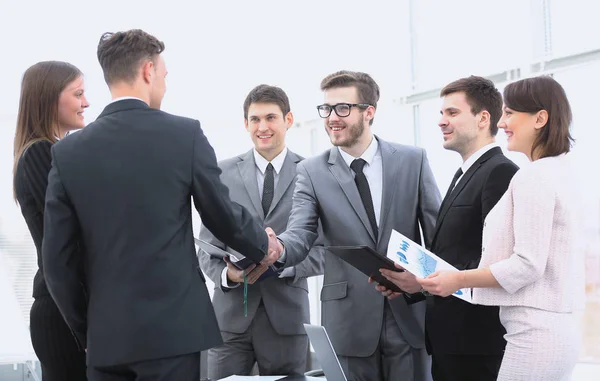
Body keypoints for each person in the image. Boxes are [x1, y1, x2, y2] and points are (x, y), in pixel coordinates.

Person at [41, 29, 279, 381]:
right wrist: (263, 245)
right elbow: (222, 215)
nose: (165, 85)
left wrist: (87, 328)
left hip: (107, 340)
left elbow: (56, 262)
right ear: (148, 71)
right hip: (174, 335)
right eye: (164, 75)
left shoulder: (68, 153)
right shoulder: (184, 135)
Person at [272, 70, 441, 381]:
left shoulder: (412, 160)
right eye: (326, 109)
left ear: (369, 112)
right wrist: (278, 249)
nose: (332, 118)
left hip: (410, 312)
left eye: (342, 108)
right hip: (348, 320)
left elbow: (438, 237)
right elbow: (300, 233)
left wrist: (424, 282)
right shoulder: (311, 171)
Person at [418, 75, 585, 381]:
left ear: (540, 118)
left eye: (510, 114)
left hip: (532, 333)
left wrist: (458, 279)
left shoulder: (532, 176)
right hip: (550, 329)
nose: (502, 122)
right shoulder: (560, 170)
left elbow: (527, 264)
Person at [379, 76, 518, 381]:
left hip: (477, 343)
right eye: (442, 113)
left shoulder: (500, 173)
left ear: (483, 119)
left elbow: (500, 262)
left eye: (452, 113)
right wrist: (415, 282)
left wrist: (433, 281)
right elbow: (455, 255)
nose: (442, 121)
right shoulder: (461, 175)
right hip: (450, 341)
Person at [198, 84, 324, 379]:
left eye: (270, 118)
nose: (262, 127)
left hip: (286, 319)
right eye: (255, 119)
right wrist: (230, 276)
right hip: (229, 319)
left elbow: (322, 251)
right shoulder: (222, 172)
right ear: (246, 124)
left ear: (288, 120)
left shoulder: (313, 172)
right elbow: (206, 247)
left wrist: (280, 262)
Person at [13, 61, 89, 381]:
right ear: (49, 99)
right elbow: (73, 237)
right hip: (62, 316)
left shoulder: (55, 152)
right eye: (79, 94)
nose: (86, 103)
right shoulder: (40, 154)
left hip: (67, 310)